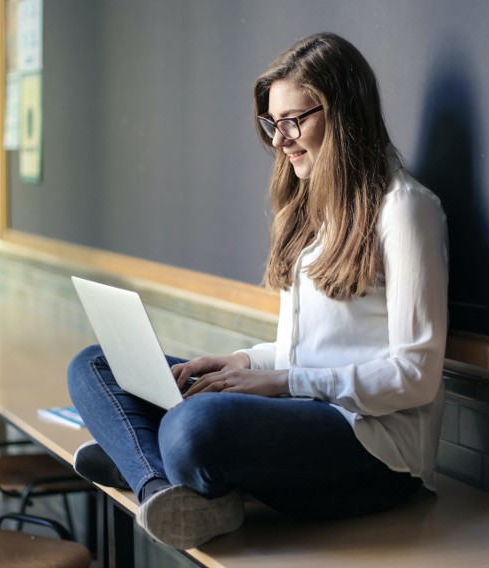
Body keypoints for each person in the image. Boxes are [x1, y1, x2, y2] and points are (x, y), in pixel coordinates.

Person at [67, 31, 448, 550]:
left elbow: (416, 377)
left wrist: (283, 384)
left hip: (375, 452)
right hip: (303, 412)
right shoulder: (312, 214)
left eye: (294, 120)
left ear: (344, 113)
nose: (278, 139)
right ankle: (165, 489)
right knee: (94, 364)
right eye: (273, 123)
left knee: (196, 426)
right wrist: (241, 362)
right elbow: (302, 352)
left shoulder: (405, 209)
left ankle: (146, 459)